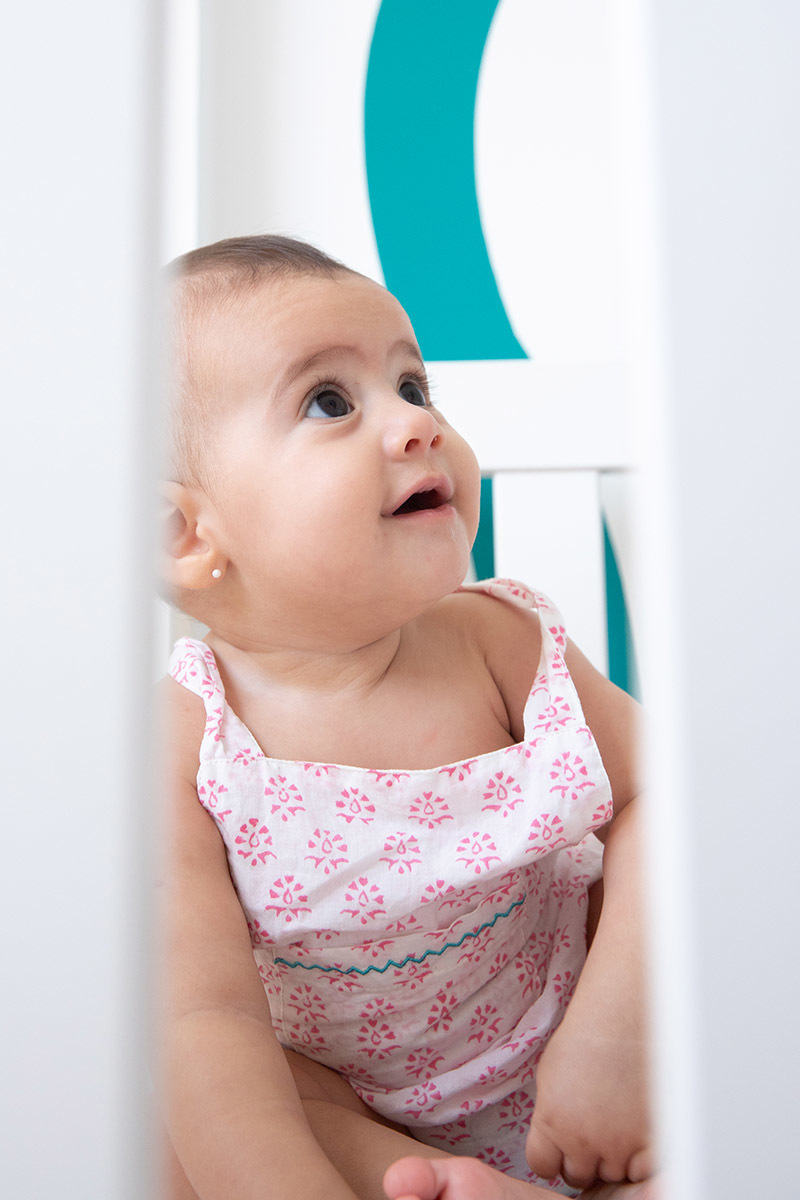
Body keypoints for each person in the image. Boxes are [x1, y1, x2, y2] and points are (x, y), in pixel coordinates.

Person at [157, 235, 654, 1200]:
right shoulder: (184, 749)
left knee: (738, 958)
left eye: (414, 387)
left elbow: (670, 801)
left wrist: (620, 1033)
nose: (416, 425)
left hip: (587, 1076)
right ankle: (427, 1186)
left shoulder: (502, 646)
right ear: (187, 535)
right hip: (354, 1116)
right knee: (191, 1106)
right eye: (330, 402)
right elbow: (201, 1018)